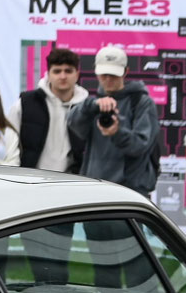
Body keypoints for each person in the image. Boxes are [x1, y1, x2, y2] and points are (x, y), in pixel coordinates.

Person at [65, 45, 161, 196]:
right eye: (104, 74)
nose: (108, 79)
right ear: (96, 72)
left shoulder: (141, 103)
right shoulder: (93, 104)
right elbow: (73, 123)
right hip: (96, 187)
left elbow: (140, 146)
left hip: (130, 191)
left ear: (125, 72)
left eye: (114, 74)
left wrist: (117, 132)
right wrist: (92, 105)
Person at [10, 47, 90, 172]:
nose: (63, 76)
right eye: (57, 71)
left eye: (68, 71)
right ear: (48, 74)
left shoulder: (86, 108)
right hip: (30, 177)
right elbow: (10, 143)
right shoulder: (25, 103)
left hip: (73, 179)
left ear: (77, 74)